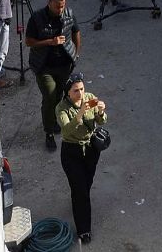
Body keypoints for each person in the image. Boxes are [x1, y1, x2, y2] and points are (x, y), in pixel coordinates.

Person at [24, 0, 82, 151]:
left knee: (60, 96)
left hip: (64, 65)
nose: (60, 10)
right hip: (44, 67)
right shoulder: (37, 18)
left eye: (62, 6)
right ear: (49, 3)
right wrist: (50, 41)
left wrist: (76, 54)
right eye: (57, 7)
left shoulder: (69, 14)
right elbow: (29, 42)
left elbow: (76, 32)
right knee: (49, 96)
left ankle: (54, 122)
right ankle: (49, 132)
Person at [56, 71, 106, 245]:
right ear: (68, 92)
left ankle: (79, 203)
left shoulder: (90, 98)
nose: (80, 94)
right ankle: (84, 230)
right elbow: (66, 130)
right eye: (76, 90)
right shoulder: (61, 108)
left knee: (86, 184)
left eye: (82, 89)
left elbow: (101, 121)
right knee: (80, 192)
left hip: (91, 150)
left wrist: (100, 111)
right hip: (72, 153)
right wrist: (79, 114)